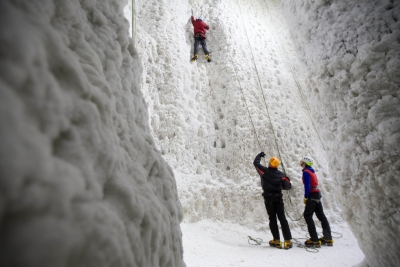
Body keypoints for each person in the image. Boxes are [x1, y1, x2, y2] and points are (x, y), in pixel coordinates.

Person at [253, 152, 293, 249]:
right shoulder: (281, 175)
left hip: (268, 199)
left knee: (272, 219)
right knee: (282, 218)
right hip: (278, 199)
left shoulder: (264, 172)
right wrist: (280, 187)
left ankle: (276, 240)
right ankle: (287, 241)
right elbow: (288, 186)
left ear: (270, 163)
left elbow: (256, 163)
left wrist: (260, 155)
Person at [300, 156, 334, 247]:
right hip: (317, 194)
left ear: (305, 163)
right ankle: (328, 238)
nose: (301, 163)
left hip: (311, 195)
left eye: (302, 162)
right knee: (321, 216)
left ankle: (314, 239)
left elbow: (307, 186)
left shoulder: (306, 172)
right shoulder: (312, 171)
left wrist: (306, 197)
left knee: (307, 216)